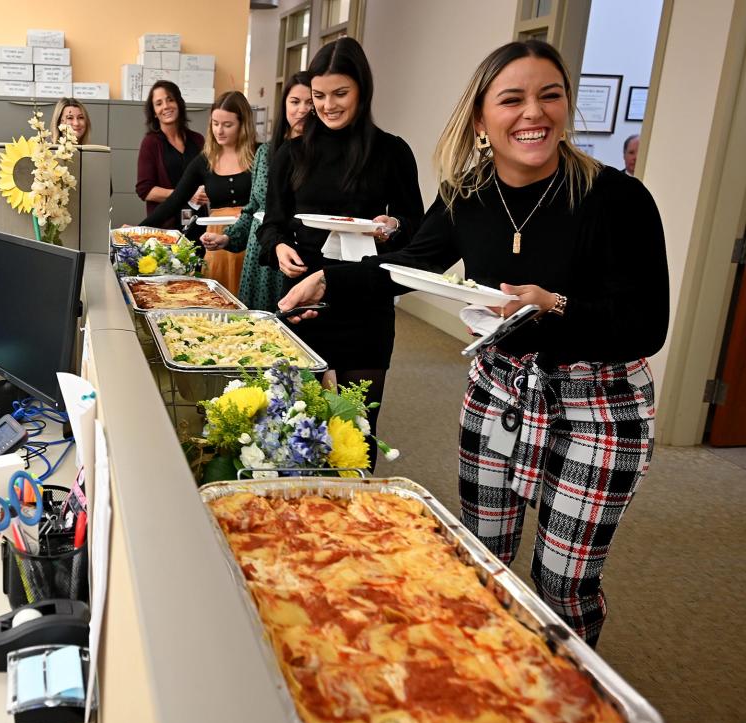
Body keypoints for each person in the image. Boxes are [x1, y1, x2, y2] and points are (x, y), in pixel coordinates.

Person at [278, 40, 669, 647]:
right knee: (481, 558)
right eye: (512, 99)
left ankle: (566, 690)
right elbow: (408, 265)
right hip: (500, 394)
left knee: (564, 583)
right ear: (482, 117)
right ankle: (486, 666)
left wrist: (554, 306)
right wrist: (327, 281)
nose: (533, 113)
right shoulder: (469, 196)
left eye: (550, 96)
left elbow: (646, 325)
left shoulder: (619, 200)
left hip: (599, 406)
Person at [257, 37, 424, 452]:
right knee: (299, 428)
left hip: (366, 301)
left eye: (340, 94)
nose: (328, 105)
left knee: (358, 431)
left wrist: (392, 225)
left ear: (362, 90)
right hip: (303, 300)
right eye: (319, 95)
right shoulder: (292, 154)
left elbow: (417, 229)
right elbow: (271, 225)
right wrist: (280, 248)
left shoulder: (391, 152)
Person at [198, 72, 311, 311]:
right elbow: (254, 210)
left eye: (309, 101)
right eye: (295, 101)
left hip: (296, 258)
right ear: (285, 105)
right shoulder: (266, 153)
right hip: (259, 257)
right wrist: (228, 237)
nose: (302, 109)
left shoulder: (319, 157)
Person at [141, 91, 257, 294]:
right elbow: (175, 200)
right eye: (215, 123)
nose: (219, 131)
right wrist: (137, 230)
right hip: (216, 242)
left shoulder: (260, 155)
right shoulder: (205, 160)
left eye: (227, 125)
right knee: (217, 300)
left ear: (243, 124)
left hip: (252, 239)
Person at [136, 81, 206, 228]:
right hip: (166, 225)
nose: (166, 106)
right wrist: (185, 194)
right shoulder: (150, 143)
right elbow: (145, 191)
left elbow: (209, 177)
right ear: (154, 112)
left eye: (170, 100)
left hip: (198, 223)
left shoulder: (198, 140)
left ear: (179, 103)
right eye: (159, 103)